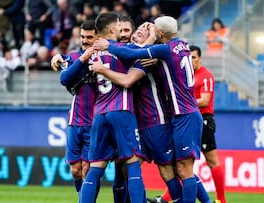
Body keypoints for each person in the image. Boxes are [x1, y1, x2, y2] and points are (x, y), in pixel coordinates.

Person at [94, 15, 203, 203]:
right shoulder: (176, 47)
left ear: (157, 34)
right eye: (133, 31)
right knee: (129, 168)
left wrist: (105, 60)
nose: (133, 35)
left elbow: (128, 75)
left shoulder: (155, 54)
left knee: (176, 168)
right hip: (140, 122)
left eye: (143, 30)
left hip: (158, 120)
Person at [80, 12, 146, 203]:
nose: (121, 30)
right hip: (121, 110)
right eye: (118, 26)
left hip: (100, 113)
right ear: (111, 29)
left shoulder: (93, 53)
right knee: (133, 164)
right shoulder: (123, 49)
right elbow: (142, 50)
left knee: (95, 168)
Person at [148, 45, 226, 203]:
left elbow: (204, 100)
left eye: (195, 57)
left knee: (211, 161)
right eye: (189, 57)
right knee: (181, 164)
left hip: (202, 120)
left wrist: (183, 102)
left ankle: (221, 199)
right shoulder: (184, 75)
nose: (191, 60)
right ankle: (166, 197)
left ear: (200, 58)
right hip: (185, 120)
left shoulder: (205, 76)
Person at [50, 19, 97, 198]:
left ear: (97, 37)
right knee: (75, 171)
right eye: (83, 36)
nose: (85, 40)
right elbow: (64, 78)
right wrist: (83, 58)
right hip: (75, 121)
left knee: (87, 169)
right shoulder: (74, 57)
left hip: (94, 123)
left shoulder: (104, 58)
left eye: (89, 37)